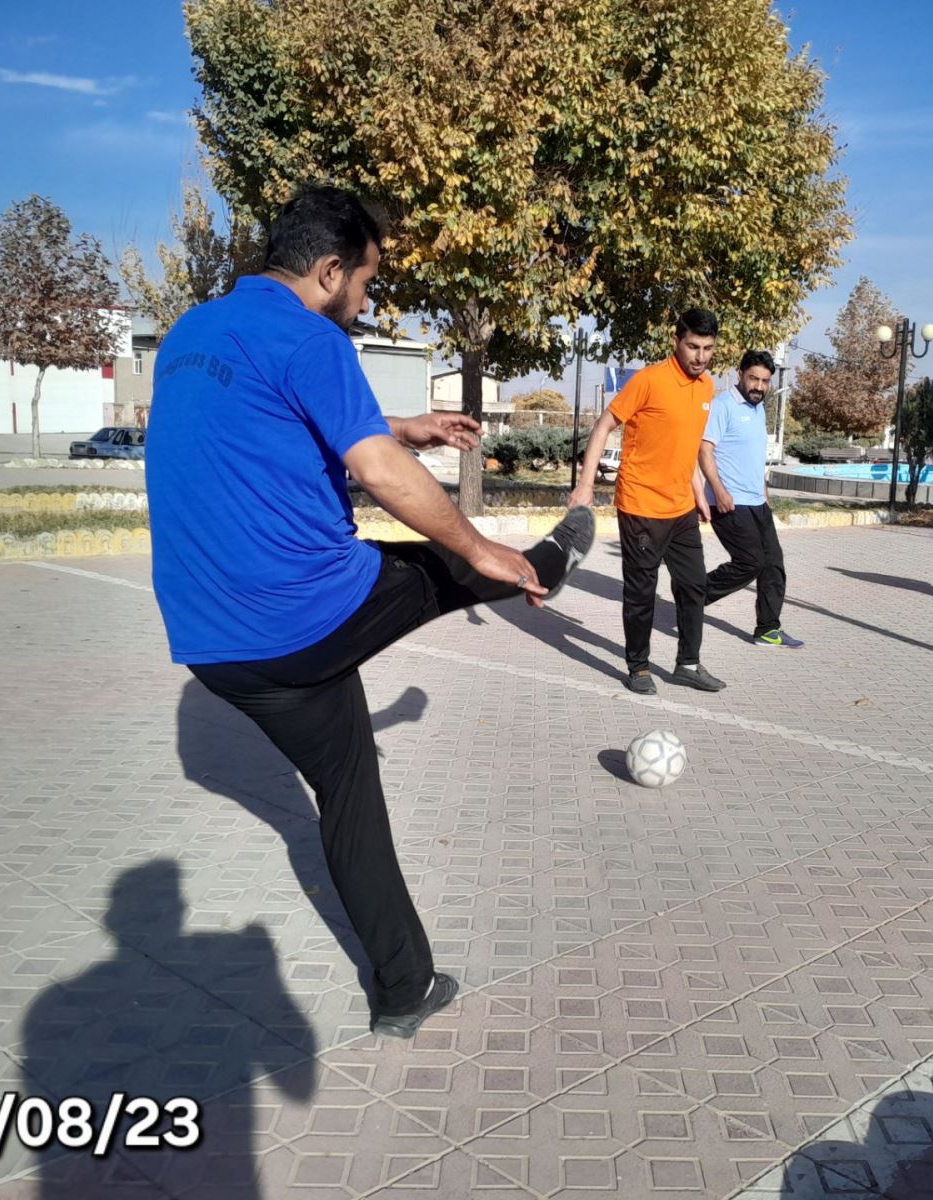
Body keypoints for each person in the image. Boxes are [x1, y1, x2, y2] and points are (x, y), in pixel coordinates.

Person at [146, 186, 595, 1038]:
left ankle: (406, 988)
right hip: (303, 615)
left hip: (214, 647)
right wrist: (479, 547)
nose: (366, 299)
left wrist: (401, 424)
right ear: (328, 271)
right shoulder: (311, 337)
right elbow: (380, 473)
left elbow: (274, 413)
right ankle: (546, 563)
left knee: (349, 792)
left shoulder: (193, 332)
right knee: (439, 565)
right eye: (365, 282)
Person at [570, 309, 725, 695]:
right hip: (641, 505)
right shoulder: (649, 380)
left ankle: (688, 664)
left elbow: (686, 445)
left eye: (708, 348)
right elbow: (603, 425)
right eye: (693, 346)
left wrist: (697, 491)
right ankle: (638, 667)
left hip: (681, 508)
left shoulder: (707, 387)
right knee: (641, 591)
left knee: (693, 585)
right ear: (676, 341)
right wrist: (585, 485)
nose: (700, 356)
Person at [698, 349, 803, 648]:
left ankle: (768, 629)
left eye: (765, 381)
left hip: (757, 501)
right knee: (750, 562)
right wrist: (718, 491)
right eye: (753, 378)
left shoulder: (758, 409)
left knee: (773, 565)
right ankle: (692, 596)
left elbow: (753, 456)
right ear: (740, 374)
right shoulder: (723, 405)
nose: (759, 386)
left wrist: (764, 493)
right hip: (729, 502)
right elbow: (704, 450)